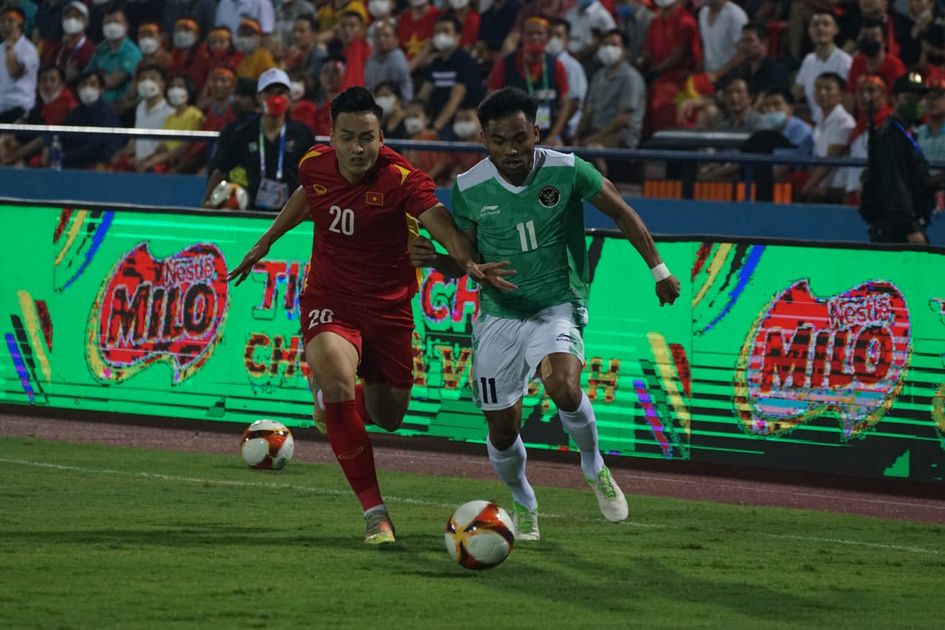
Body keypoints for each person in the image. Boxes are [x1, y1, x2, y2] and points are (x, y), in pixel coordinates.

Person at [227, 86, 513, 544]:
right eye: (348, 138)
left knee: (389, 416)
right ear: (332, 137)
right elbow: (308, 195)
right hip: (330, 299)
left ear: (381, 137)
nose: (358, 148)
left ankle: (333, 407)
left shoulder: (402, 179)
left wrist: (467, 260)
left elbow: (442, 225)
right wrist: (266, 240)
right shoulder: (313, 164)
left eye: (367, 138)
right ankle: (375, 514)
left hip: (389, 308)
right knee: (337, 381)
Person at [410, 87, 681, 540]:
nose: (511, 150)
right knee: (503, 429)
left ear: (535, 132)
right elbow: (466, 261)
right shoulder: (469, 188)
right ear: (483, 139)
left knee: (563, 386)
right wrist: (436, 260)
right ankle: (523, 499)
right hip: (499, 314)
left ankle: (594, 465)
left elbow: (621, 211)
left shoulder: (568, 169)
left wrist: (660, 270)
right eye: (500, 141)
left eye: (520, 138)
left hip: (558, 303)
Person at [203, 68, 315, 210]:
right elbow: (221, 170)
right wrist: (206, 202)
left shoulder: (303, 134)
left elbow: (315, 175)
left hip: (292, 214)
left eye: (280, 92)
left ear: (289, 96)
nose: (275, 99)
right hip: (254, 213)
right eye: (269, 92)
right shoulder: (244, 134)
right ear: (258, 97)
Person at [860, 71, 935, 243]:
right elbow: (895, 184)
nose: (915, 104)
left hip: (910, 222)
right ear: (893, 99)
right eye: (909, 98)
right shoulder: (889, 136)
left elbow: (911, 178)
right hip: (897, 230)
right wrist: (911, 228)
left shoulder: (908, 134)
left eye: (919, 99)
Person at [0, 6, 39, 123]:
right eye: (2, 21)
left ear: (20, 24)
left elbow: (14, 72)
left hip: (20, 107)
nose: (5, 24)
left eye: (11, 20)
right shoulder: (1, 48)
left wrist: (10, 47)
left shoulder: (29, 50)